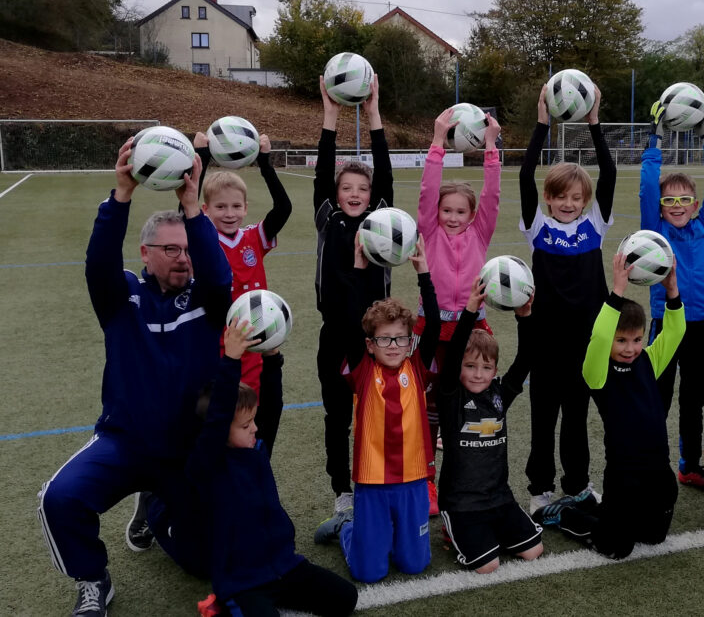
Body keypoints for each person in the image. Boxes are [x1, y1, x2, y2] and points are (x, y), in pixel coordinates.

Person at [37, 140, 231, 617]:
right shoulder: (121, 297)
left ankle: (157, 506)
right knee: (59, 499)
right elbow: (98, 264)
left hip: (187, 452)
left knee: (203, 562)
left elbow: (220, 279)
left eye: (187, 249)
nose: (183, 257)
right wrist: (120, 194)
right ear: (145, 254)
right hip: (125, 442)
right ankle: (93, 579)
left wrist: (193, 210)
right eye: (171, 249)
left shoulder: (207, 301)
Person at [186, 320, 357, 617]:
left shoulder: (256, 449)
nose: (254, 428)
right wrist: (231, 359)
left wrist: (271, 358)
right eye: (244, 425)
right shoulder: (209, 463)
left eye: (253, 421)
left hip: (285, 566)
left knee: (346, 598)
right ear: (220, 431)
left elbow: (272, 408)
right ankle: (223, 605)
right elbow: (216, 422)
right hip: (243, 581)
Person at [533, 254, 682, 560]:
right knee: (616, 547)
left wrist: (672, 290)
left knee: (653, 537)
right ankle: (566, 514)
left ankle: (603, 510)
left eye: (637, 339)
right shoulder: (597, 371)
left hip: (658, 471)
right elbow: (600, 335)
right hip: (624, 474)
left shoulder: (649, 361)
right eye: (622, 340)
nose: (631, 348)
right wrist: (617, 291)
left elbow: (675, 331)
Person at [318, 235, 439, 583]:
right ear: (369, 345)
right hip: (372, 481)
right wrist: (358, 269)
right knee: (368, 572)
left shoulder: (415, 366)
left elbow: (431, 320)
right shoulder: (363, 369)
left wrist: (424, 273)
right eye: (384, 339)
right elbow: (350, 319)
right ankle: (349, 529)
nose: (393, 345)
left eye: (400, 338)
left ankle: (384, 535)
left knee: (415, 565)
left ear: (409, 340)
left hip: (413, 479)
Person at [520, 83, 614, 513]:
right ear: (548, 199)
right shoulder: (536, 227)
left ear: (586, 202)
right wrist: (543, 123)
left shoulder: (596, 224)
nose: (568, 204)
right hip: (544, 339)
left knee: (577, 418)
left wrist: (594, 121)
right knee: (544, 417)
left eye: (576, 198)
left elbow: (608, 173)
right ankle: (539, 489)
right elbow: (525, 174)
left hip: (585, 340)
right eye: (560, 197)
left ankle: (576, 483)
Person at [313, 74, 395, 534]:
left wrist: (374, 112)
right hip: (335, 337)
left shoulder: (382, 220)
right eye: (347, 189)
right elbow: (324, 169)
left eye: (361, 190)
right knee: (336, 418)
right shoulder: (327, 219)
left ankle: (375, 486)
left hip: (375, 339)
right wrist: (331, 113)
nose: (355, 194)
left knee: (378, 418)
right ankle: (342, 493)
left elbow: (382, 169)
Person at [416, 108, 503, 515]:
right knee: (429, 409)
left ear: (472, 217)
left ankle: (468, 478)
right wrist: (437, 141)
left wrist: (490, 148)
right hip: (430, 328)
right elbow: (427, 191)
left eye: (460, 212)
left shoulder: (480, 231)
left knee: (471, 407)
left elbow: (492, 195)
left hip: (472, 327)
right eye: (446, 210)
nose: (452, 217)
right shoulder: (429, 230)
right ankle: (427, 483)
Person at [639, 98, 704, 490]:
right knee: (659, 399)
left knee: (693, 401)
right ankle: (650, 462)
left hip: (701, 325)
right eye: (669, 200)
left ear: (694, 205)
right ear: (660, 206)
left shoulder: (703, 227)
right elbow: (646, 184)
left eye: (684, 200)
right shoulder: (654, 230)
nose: (677, 206)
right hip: (666, 324)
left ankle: (690, 465)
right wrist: (657, 137)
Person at [193, 130, 292, 453]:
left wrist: (265, 162)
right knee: (221, 424)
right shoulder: (205, 240)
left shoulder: (254, 238)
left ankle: (257, 478)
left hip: (258, 348)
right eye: (220, 206)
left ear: (246, 208)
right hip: (221, 349)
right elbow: (186, 208)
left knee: (259, 422)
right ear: (205, 209)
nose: (229, 212)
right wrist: (202, 158)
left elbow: (283, 208)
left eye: (236, 206)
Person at [436, 278, 543, 573]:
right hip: (462, 504)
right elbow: (454, 352)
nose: (478, 374)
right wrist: (470, 310)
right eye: (470, 366)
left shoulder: (499, 394)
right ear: (459, 368)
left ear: (495, 370)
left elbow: (526, 358)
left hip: (498, 498)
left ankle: (493, 533)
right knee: (487, 566)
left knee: (534, 551)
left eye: (486, 367)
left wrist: (525, 317)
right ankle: (456, 530)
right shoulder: (451, 396)